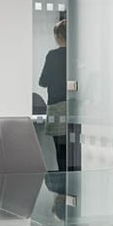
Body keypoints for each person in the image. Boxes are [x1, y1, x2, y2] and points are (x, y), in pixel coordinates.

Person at [39, 18, 67, 170]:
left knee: (61, 152)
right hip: (75, 108)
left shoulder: (53, 55)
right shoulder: (76, 54)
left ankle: (64, 188)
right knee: (74, 152)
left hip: (57, 107)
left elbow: (43, 81)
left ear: (58, 36)